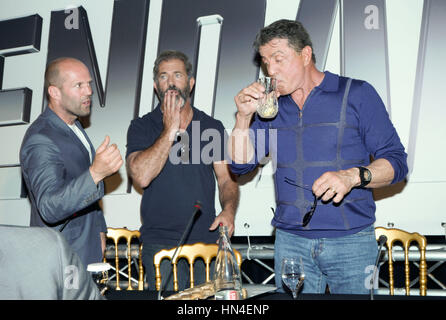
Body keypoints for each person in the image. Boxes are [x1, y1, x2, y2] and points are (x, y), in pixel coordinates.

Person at [228, 19, 408, 294]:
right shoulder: (271, 105)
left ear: (306, 55)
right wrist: (242, 117)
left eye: (278, 59)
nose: (270, 70)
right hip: (290, 242)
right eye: (265, 62)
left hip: (353, 242)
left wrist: (352, 176)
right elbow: (240, 165)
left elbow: (397, 162)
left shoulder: (355, 93)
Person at [126, 50, 239, 291]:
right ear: (156, 86)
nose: (170, 82)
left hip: (206, 243)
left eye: (177, 75)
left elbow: (226, 180)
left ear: (190, 82)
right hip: (160, 244)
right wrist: (169, 129)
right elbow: (142, 176)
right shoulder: (142, 126)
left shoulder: (211, 126)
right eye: (163, 76)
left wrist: (229, 211)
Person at [20, 57, 123, 267]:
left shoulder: (75, 127)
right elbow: (49, 206)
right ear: (55, 92)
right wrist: (96, 173)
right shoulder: (41, 139)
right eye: (79, 85)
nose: (89, 91)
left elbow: (87, 193)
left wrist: (99, 230)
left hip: (86, 249)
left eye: (89, 84)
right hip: (61, 257)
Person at [0, 224, 103, 300]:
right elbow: (48, 206)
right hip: (57, 249)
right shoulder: (50, 247)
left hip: (83, 241)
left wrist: (101, 228)